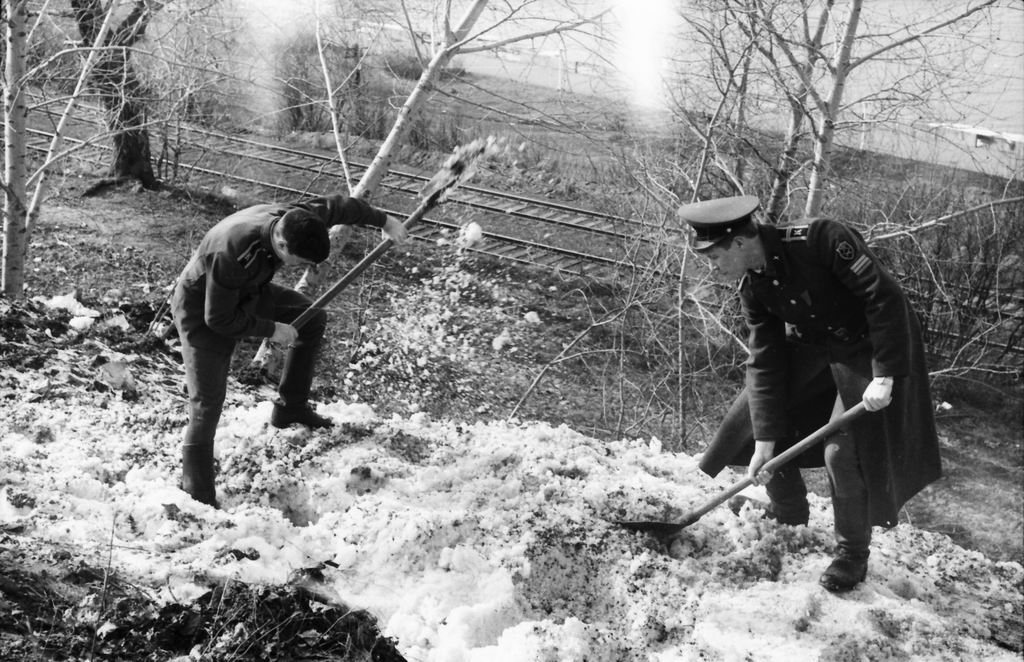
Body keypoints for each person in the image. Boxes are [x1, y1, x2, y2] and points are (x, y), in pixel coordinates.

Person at [678, 194, 942, 592]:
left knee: (842, 452)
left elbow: (884, 298)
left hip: (871, 351)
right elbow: (764, 363)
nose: (712, 267)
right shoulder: (754, 288)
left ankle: (851, 554)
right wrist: (765, 442)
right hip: (817, 352)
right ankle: (789, 514)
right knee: (756, 423)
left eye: (714, 257)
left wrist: (885, 374)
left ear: (739, 242)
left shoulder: (820, 239)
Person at [171, 194, 408, 507]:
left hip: (248, 293)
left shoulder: (297, 219)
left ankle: (290, 407)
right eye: (302, 262)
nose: (305, 268)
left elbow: (340, 206)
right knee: (207, 401)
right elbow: (219, 318)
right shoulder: (233, 250)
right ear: (282, 245)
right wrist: (272, 329)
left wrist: (385, 221)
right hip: (201, 309)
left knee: (311, 318)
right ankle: (197, 494)